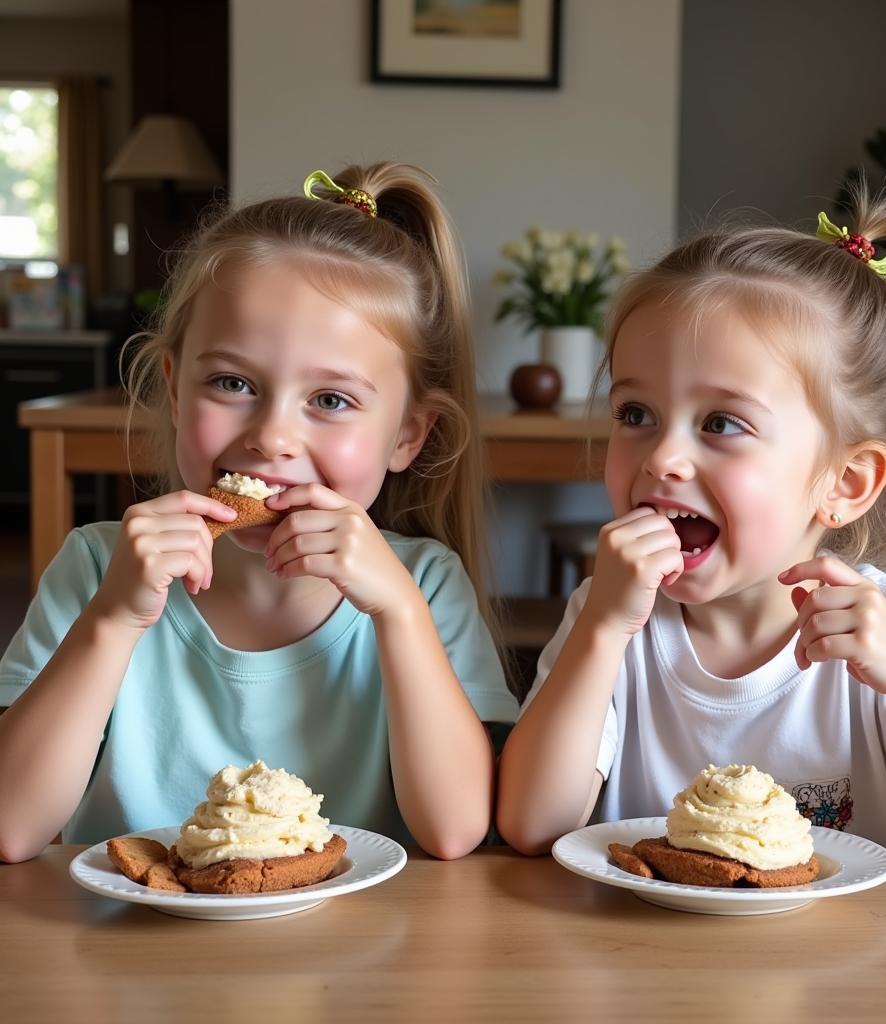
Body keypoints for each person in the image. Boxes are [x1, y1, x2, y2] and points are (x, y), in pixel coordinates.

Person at [0, 163, 518, 863]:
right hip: (130, 952)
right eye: (232, 383)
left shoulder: (422, 584)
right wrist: (114, 617)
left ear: (406, 435)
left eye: (330, 400)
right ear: (176, 393)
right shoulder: (99, 567)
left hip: (360, 961)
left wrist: (398, 615)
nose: (272, 436)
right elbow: (11, 827)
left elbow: (456, 831)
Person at [497, 190, 886, 872]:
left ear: (845, 484)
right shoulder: (613, 622)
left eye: (721, 423)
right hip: (648, 964)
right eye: (635, 413)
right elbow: (531, 826)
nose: (661, 457)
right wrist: (600, 630)